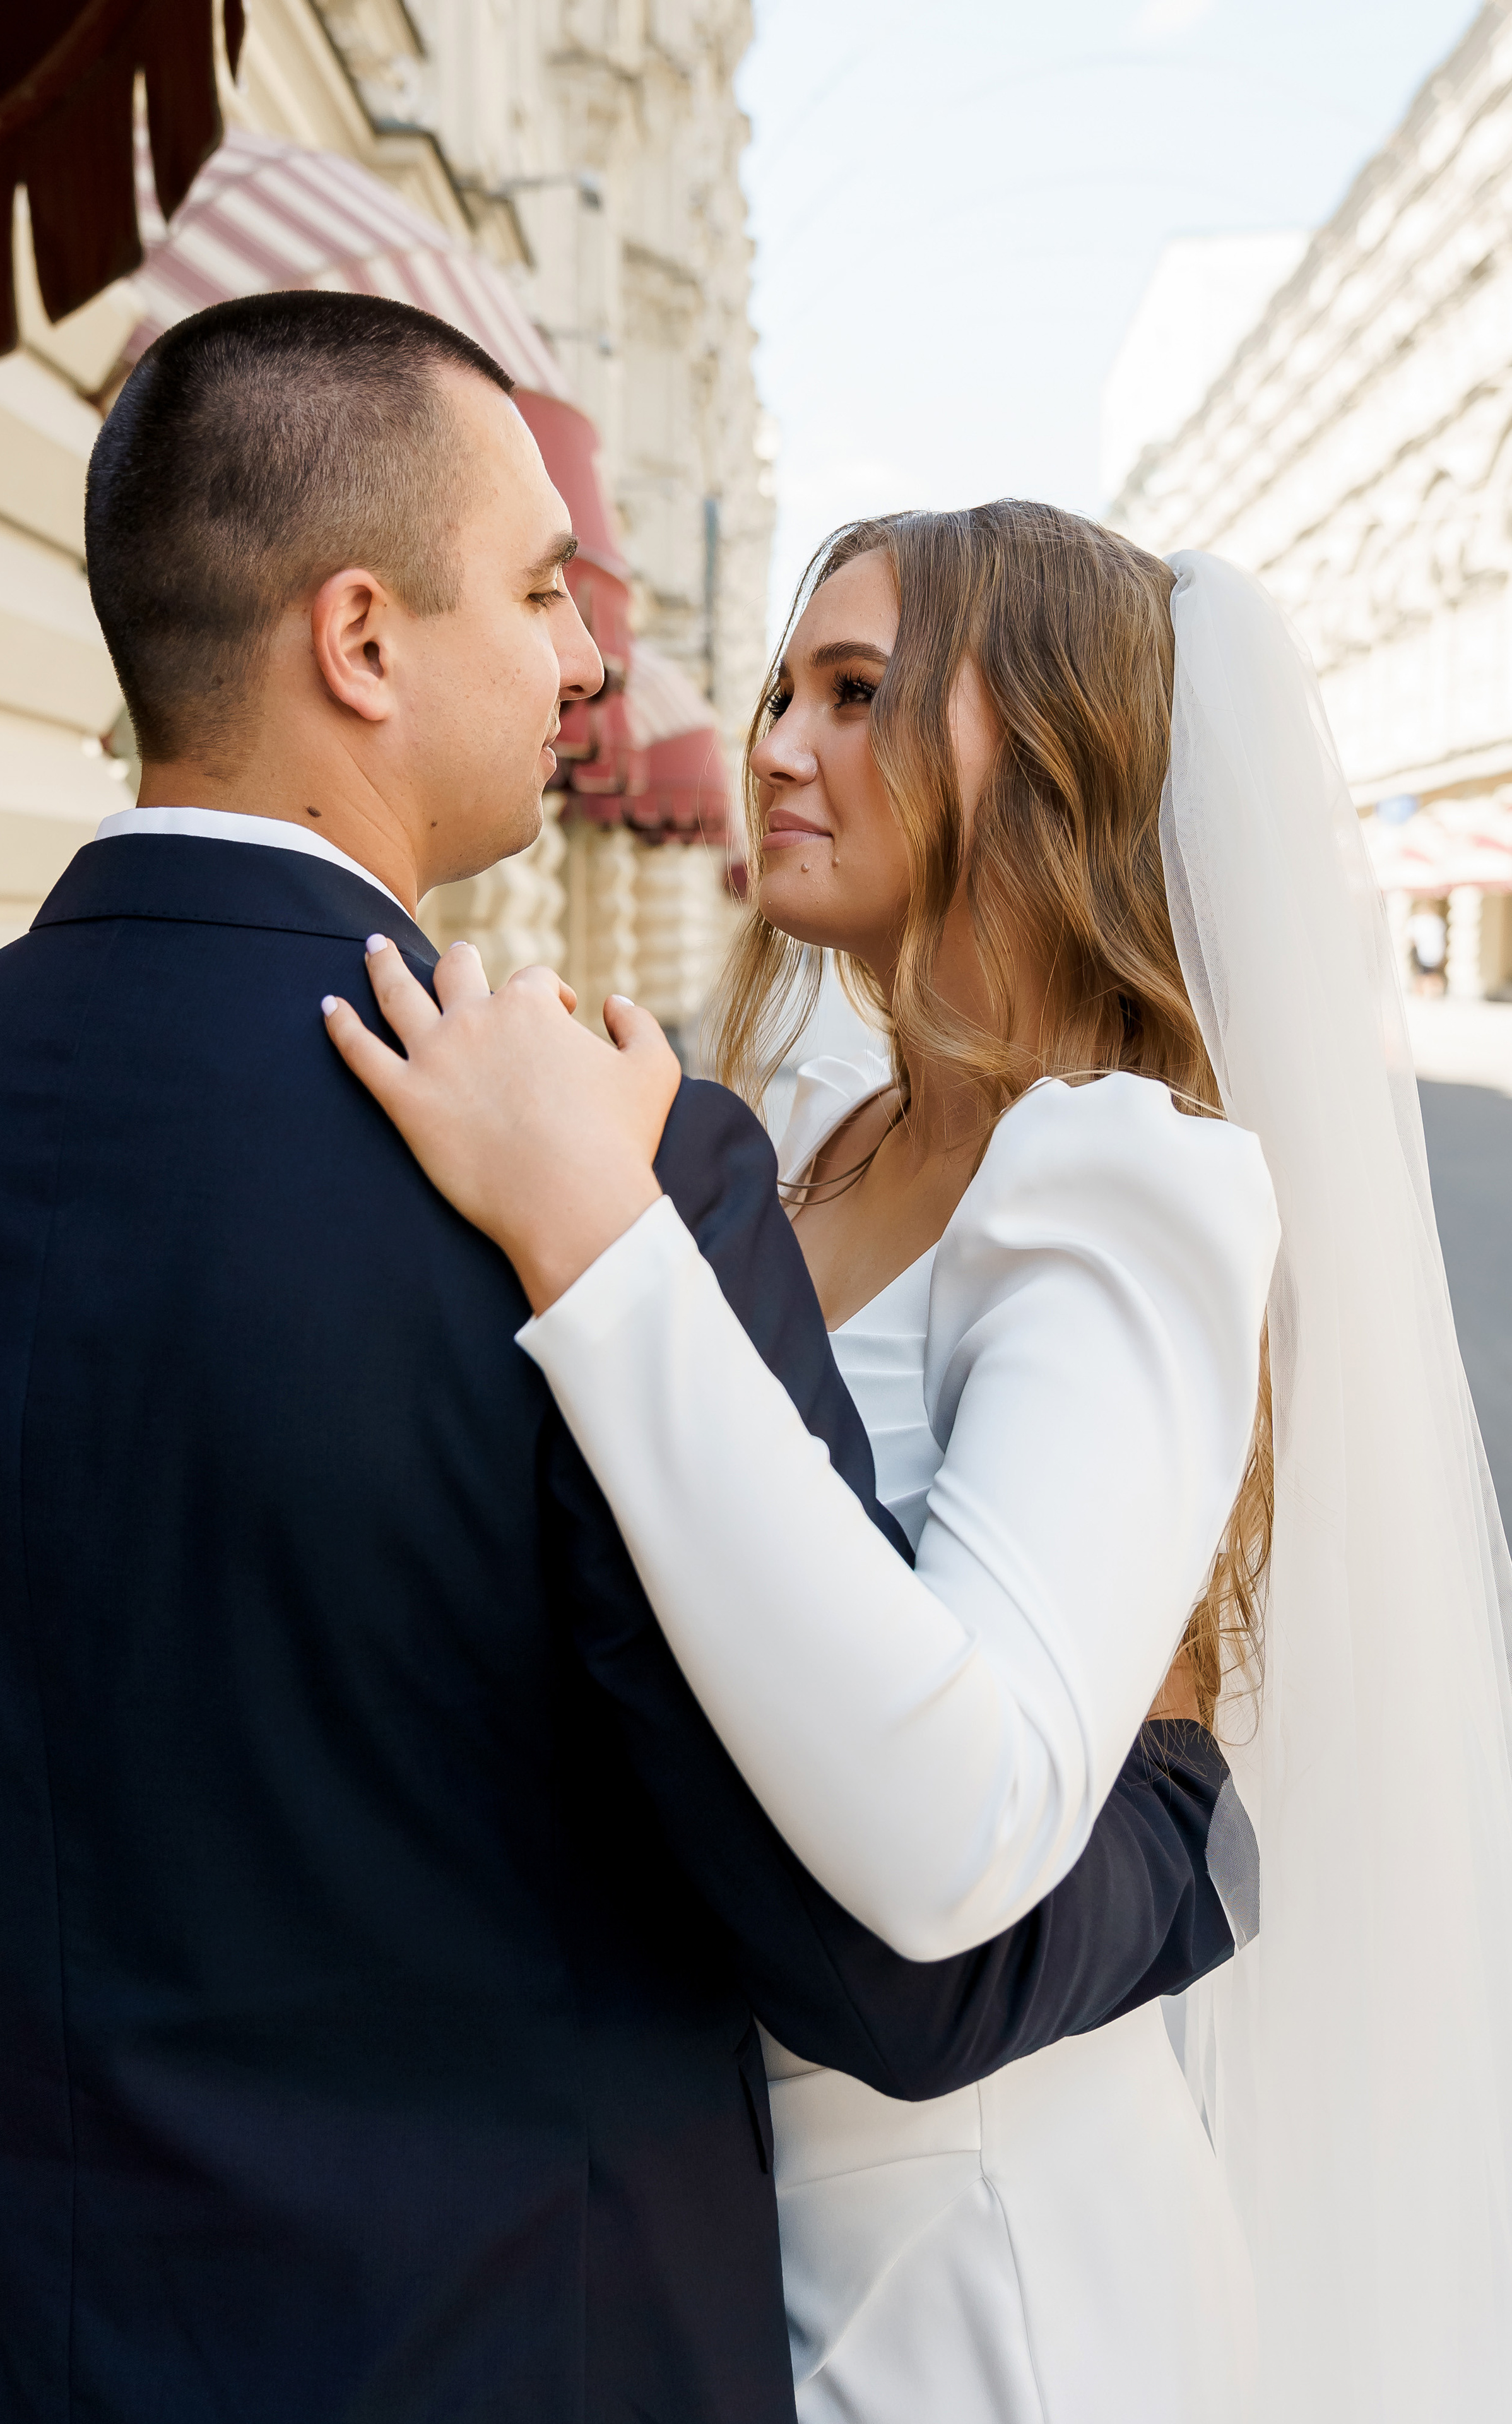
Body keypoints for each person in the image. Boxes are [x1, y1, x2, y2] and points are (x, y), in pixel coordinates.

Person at [0, 299, 1239, 2422]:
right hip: (521, 2340)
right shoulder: (620, 1174)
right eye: (541, 591)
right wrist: (1177, 1838)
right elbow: (859, 1940)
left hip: (14, 2333)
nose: (599, 665)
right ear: (361, 640)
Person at [326, 505, 1512, 2422]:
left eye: (859, 696)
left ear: (1040, 755)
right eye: (783, 690)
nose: (777, 744)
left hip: (979, 2287)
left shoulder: (1125, 1174)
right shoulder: (802, 1144)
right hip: (709, 2234)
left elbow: (959, 1825)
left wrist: (595, 1243)